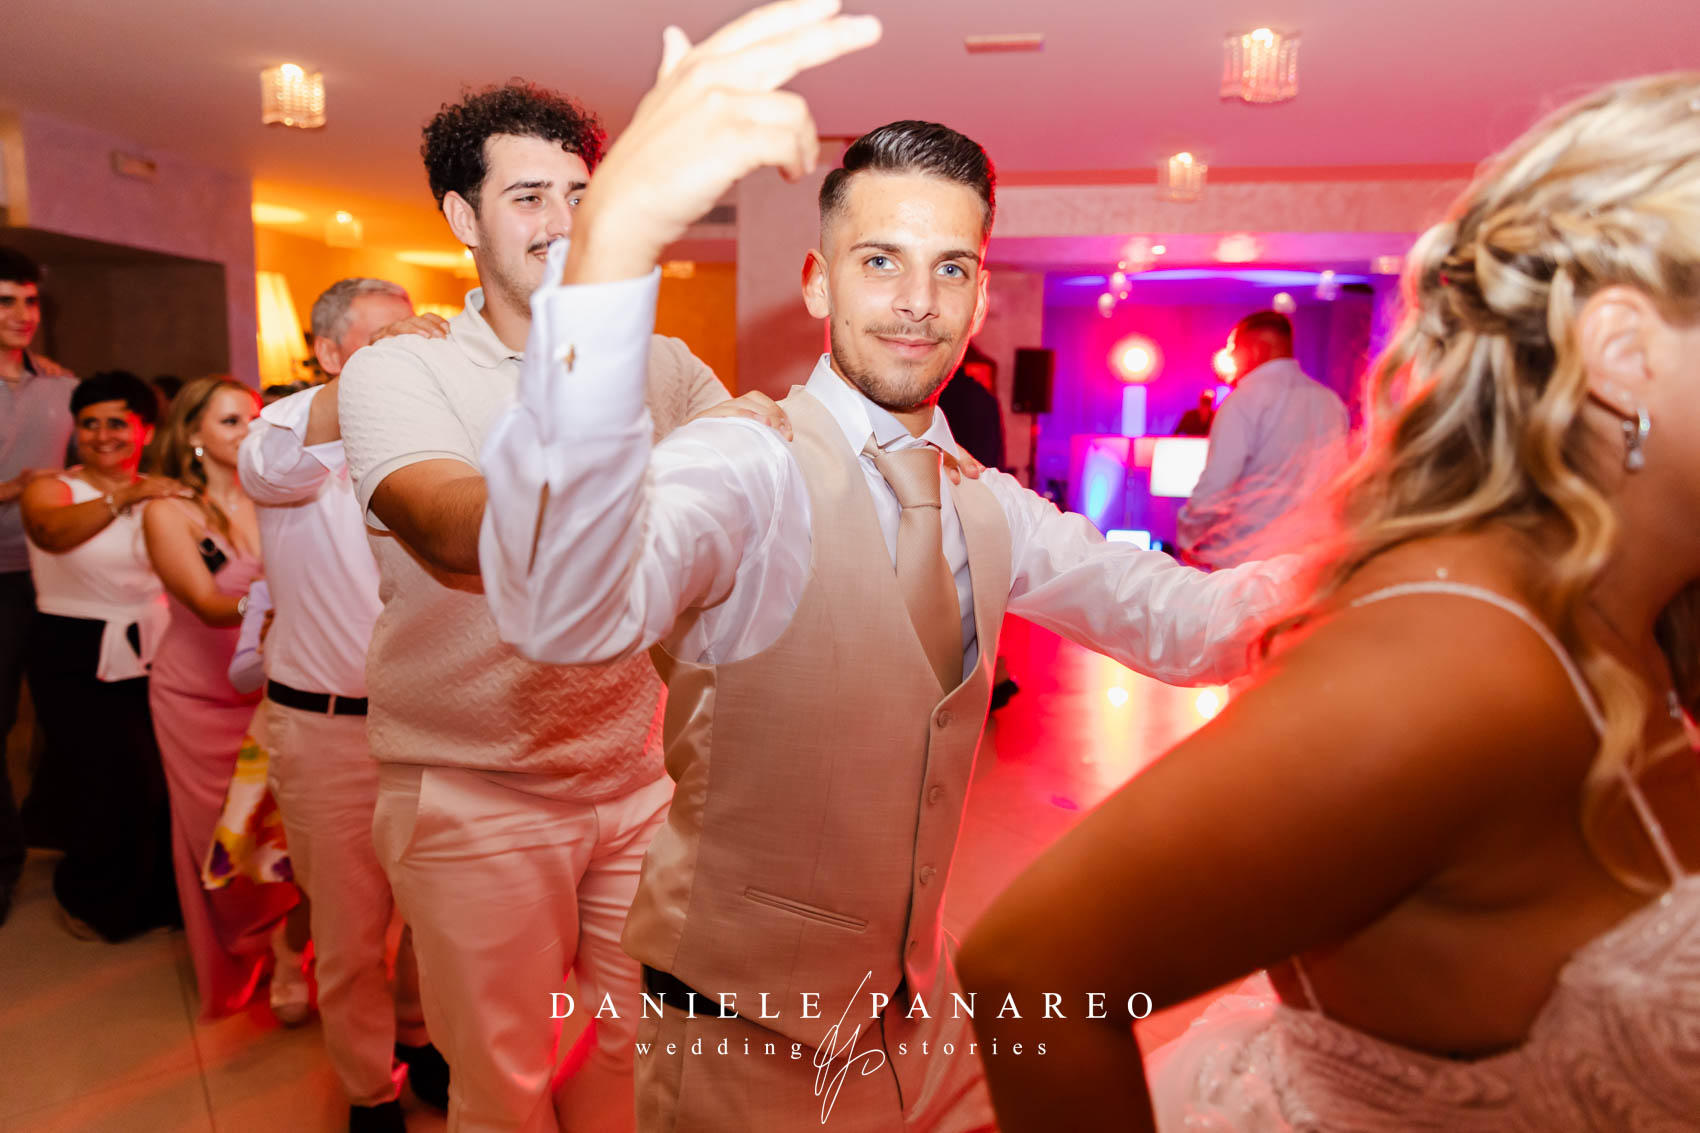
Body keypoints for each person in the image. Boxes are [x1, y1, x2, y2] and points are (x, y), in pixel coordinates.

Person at [476, 7, 1295, 1126]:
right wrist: (610, 247)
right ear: (818, 283)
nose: (917, 301)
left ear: (977, 293)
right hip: (743, 1034)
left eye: (950, 268)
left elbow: (1186, 623)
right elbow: (563, 608)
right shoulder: (749, 462)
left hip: (924, 1017)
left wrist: (1416, 558)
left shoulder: (989, 502)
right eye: (880, 262)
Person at [957, 72, 1700, 1132]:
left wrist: (1210, 545)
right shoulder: (1451, 669)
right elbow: (1034, 967)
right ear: (1623, 353)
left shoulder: (1632, 614)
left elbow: (1216, 506)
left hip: (1274, 583)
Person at [336, 82, 729, 1133]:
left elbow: (766, 469)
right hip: (473, 788)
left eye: (580, 196)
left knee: (642, 1054)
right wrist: (604, 440)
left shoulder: (664, 365)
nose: (562, 221)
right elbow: (451, 528)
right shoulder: (401, 369)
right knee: (502, 1083)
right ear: (462, 218)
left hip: (636, 777)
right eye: (527, 197)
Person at [240, 277, 447, 1133]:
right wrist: (374, 377)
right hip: (327, 729)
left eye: (415, 334)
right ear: (328, 353)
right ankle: (368, 1090)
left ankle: (420, 1035)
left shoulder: (438, 439)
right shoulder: (282, 435)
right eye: (381, 338)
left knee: (438, 915)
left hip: (434, 728)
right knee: (353, 931)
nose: (410, 349)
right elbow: (270, 466)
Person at [142, 375, 297, 1019]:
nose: (248, 430)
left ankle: (291, 944)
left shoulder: (278, 498)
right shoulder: (169, 511)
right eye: (231, 421)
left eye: (254, 418)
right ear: (192, 435)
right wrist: (283, 602)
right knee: (223, 838)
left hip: (274, 692)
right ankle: (248, 944)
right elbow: (208, 604)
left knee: (282, 830)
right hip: (197, 699)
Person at [18, 371, 186, 940]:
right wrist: (124, 496)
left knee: (156, 775)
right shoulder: (52, 488)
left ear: (145, 430)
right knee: (99, 776)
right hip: (73, 647)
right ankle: (91, 897)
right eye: (89, 423)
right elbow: (50, 533)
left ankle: (160, 895)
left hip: (156, 643)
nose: (102, 434)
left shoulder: (161, 492)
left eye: (117, 422)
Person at [0, 246, 76, 923]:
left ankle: (55, 831)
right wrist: (14, 488)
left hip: (58, 572)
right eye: (6, 301)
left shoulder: (61, 385)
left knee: (65, 715)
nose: (24, 314)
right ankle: (5, 861)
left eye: (29, 301)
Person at [1175, 312, 1348, 568]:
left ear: (1255, 350)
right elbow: (1340, 481)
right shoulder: (1329, 401)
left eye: (1233, 349)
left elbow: (1218, 482)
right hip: (1312, 560)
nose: (1230, 358)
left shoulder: (1243, 400)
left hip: (1250, 558)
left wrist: (1188, 536)